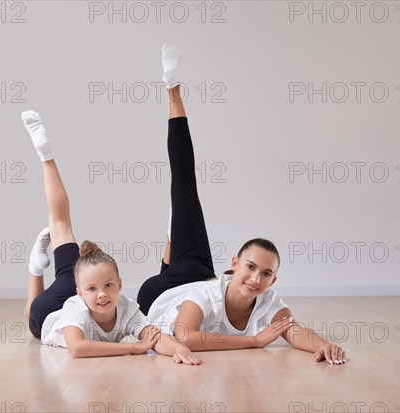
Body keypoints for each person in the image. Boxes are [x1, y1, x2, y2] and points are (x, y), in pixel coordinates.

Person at [137, 44, 347, 365]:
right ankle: (173, 88)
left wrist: (322, 345)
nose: (255, 279)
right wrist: (252, 341)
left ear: (273, 281)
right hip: (195, 277)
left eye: (265, 274)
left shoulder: (267, 300)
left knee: (181, 222)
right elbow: (184, 337)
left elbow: (293, 330)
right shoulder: (208, 294)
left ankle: (173, 235)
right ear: (235, 263)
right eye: (250, 267)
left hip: (155, 294)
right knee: (185, 186)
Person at [19, 107, 201, 364]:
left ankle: (37, 265)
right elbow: (78, 349)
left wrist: (178, 349)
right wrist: (134, 349)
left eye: (108, 286)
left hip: (73, 286)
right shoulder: (74, 308)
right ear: (80, 292)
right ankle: (45, 155)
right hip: (49, 313)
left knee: (61, 227)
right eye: (93, 289)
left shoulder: (126, 309)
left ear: (120, 284)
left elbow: (153, 337)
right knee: (33, 310)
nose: (102, 294)